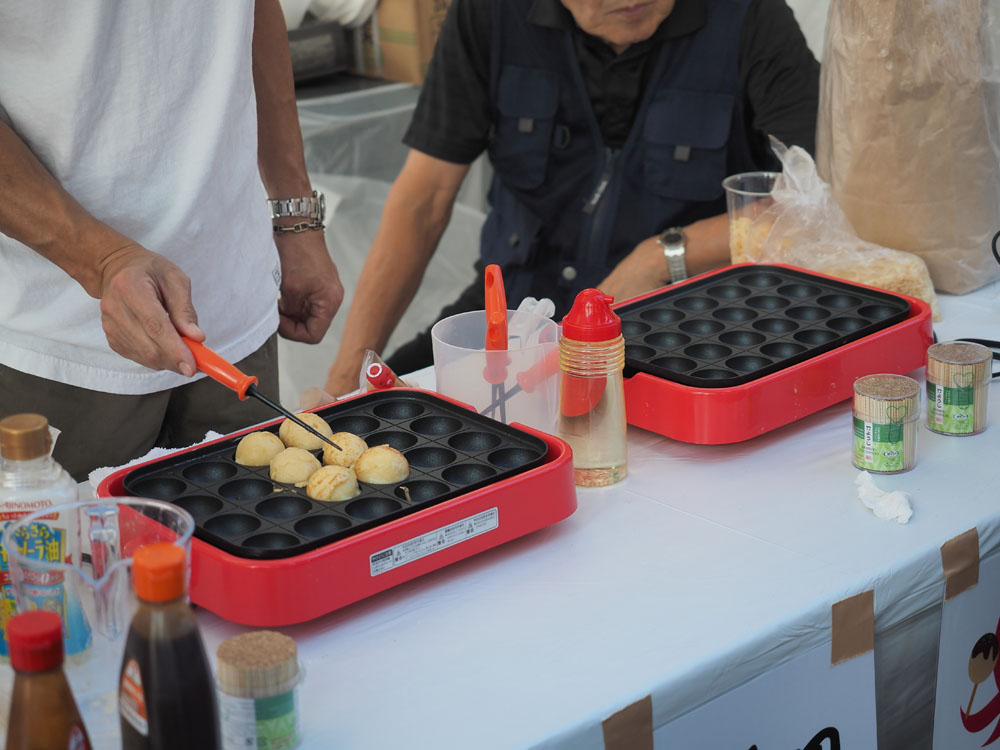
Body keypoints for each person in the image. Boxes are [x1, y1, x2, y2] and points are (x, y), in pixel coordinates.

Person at [323, 0, 818, 395]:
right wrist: (345, 380)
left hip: (679, 328)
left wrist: (663, 256)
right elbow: (424, 199)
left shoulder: (751, 16)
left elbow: (824, 199)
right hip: (514, 314)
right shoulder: (489, 12)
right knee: (391, 418)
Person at [0, 0, 344, 481]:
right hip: (59, 343)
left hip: (235, 317)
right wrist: (102, 259)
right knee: (77, 555)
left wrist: (295, 214)